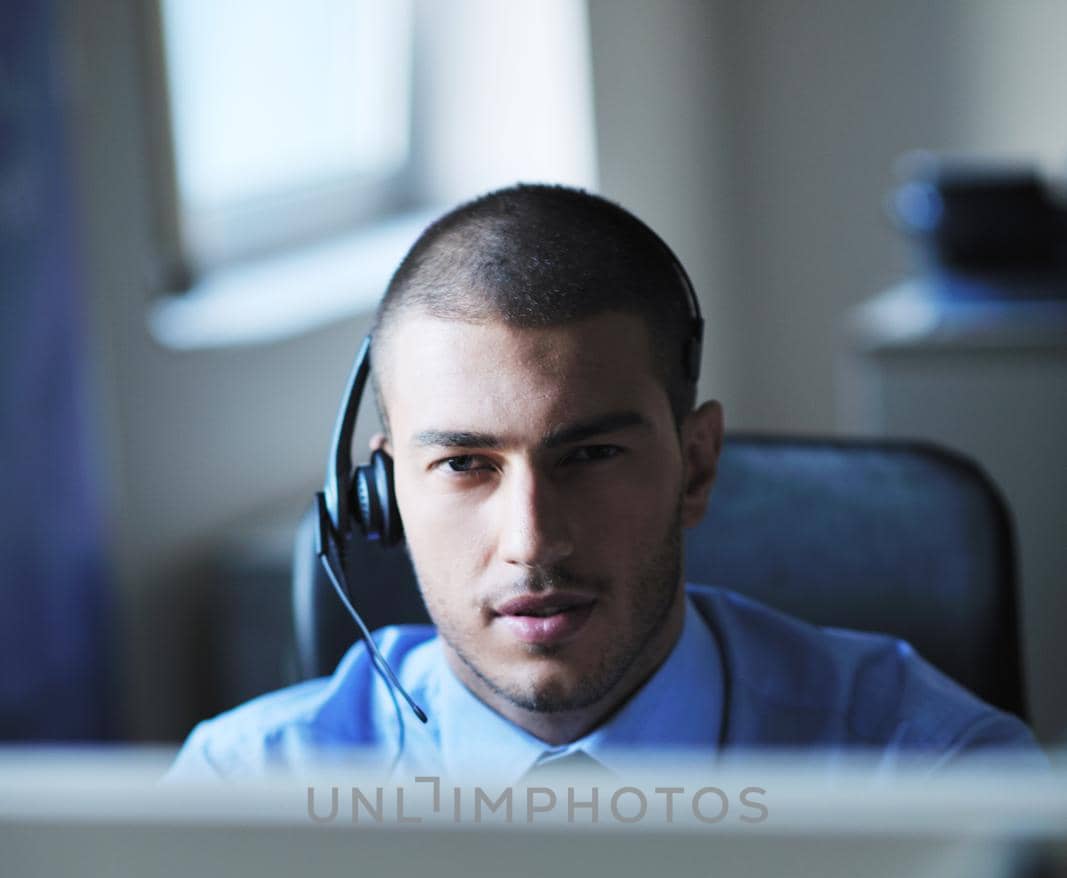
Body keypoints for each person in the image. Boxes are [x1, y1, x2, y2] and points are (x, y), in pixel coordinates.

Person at [170, 184, 1041, 782]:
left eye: (588, 456)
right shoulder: (244, 793)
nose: (532, 541)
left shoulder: (930, 779)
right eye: (465, 465)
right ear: (387, 491)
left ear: (694, 467)